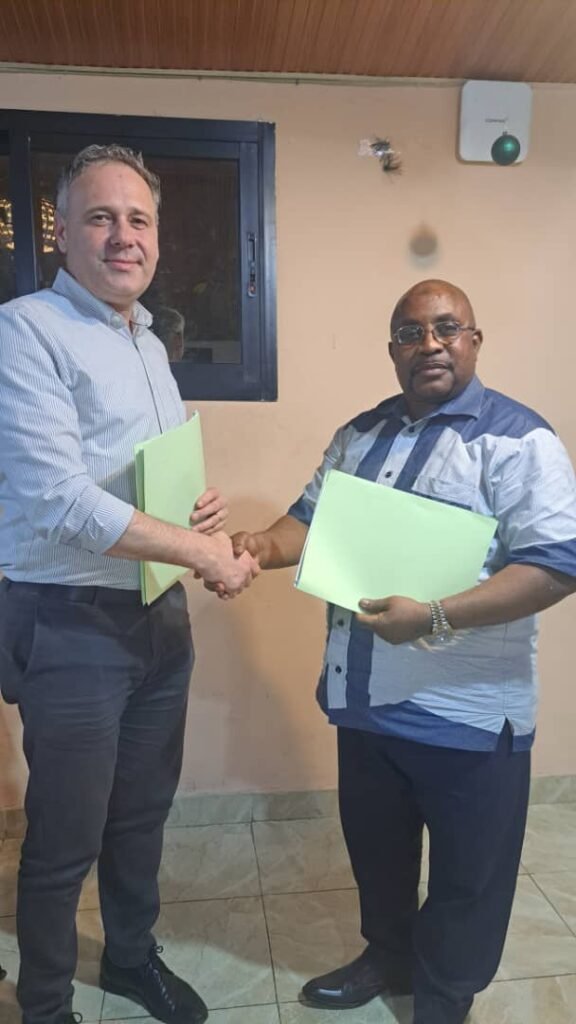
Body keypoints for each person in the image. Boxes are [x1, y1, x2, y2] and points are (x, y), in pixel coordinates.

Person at [230, 279, 576, 1024]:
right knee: (378, 855)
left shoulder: (520, 440)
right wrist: (260, 545)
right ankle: (386, 956)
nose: (430, 344)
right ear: (392, 349)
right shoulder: (362, 434)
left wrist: (436, 616)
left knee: (467, 878)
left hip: (467, 716)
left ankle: (445, 997)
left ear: (475, 340)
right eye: (411, 333)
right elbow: (308, 520)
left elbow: (555, 565)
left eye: (447, 328)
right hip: (365, 703)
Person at [0, 144, 258, 1024]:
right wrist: (201, 552)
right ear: (62, 233)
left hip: (155, 616)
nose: (123, 236)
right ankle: (44, 1006)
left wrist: (198, 510)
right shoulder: (26, 331)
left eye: (138, 219)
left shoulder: (147, 338)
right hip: (68, 622)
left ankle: (129, 958)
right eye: (101, 217)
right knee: (65, 837)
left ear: (156, 236)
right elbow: (59, 501)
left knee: (142, 813)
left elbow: (138, 475)